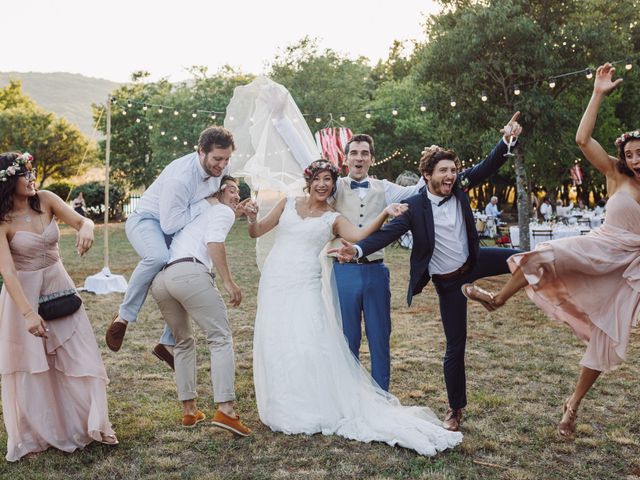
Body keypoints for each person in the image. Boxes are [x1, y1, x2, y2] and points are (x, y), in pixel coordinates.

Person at [462, 63, 640, 439]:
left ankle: (572, 407)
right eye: (632, 153)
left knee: (606, 336)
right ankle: (497, 299)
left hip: (630, 269)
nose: (637, 158)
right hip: (599, 247)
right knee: (542, 255)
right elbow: (582, 140)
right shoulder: (615, 175)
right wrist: (597, 94)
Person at [245, 159, 462, 456]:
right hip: (275, 280)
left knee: (308, 340)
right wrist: (250, 217)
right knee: (278, 340)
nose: (323, 184)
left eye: (328, 180)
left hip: (305, 281)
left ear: (334, 184)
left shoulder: (332, 218)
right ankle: (284, 401)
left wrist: (385, 213)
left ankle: (311, 402)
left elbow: (360, 236)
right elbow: (256, 231)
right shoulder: (287, 203)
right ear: (309, 181)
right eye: (318, 178)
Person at [331, 113, 523, 432]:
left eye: (453, 170)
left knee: (527, 258)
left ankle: (498, 296)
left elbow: (488, 166)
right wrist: (358, 249)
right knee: (455, 345)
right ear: (427, 174)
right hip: (450, 283)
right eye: (443, 171)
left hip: (475, 260)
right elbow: (386, 234)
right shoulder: (415, 206)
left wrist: (506, 141)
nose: (450, 176)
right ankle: (455, 408)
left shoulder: (459, 185)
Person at [0, 152, 117, 461]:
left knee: (82, 352)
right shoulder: (3, 221)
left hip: (60, 287)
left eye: (31, 171)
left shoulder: (47, 199)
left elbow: (81, 220)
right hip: (22, 296)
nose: (31, 177)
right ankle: (37, 433)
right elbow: (7, 271)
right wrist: (27, 313)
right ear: (8, 181)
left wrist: (86, 228)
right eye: (24, 174)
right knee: (33, 367)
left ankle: (91, 422)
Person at [105, 126, 238, 366]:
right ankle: (123, 317)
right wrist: (206, 203)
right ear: (201, 151)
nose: (222, 165)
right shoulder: (181, 177)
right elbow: (168, 225)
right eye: (217, 159)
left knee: (188, 272)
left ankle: (167, 344)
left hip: (178, 226)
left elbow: (222, 188)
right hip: (149, 221)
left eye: (227, 159)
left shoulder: (222, 167)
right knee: (157, 257)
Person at [150, 175, 250, 435]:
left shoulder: (202, 212)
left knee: (183, 341)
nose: (237, 195)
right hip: (190, 273)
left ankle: (189, 411)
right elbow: (214, 242)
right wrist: (228, 281)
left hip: (162, 280)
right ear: (218, 191)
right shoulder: (220, 211)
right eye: (232, 189)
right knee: (220, 337)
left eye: (239, 191)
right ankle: (226, 411)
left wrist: (237, 212)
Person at [330, 134, 425, 391]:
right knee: (347, 337)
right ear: (346, 158)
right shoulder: (334, 186)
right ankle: (349, 393)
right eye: (354, 153)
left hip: (376, 271)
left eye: (364, 153)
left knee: (380, 336)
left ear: (372, 159)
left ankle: (381, 395)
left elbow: (417, 191)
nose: (359, 158)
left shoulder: (384, 188)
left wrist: (428, 166)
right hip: (343, 273)